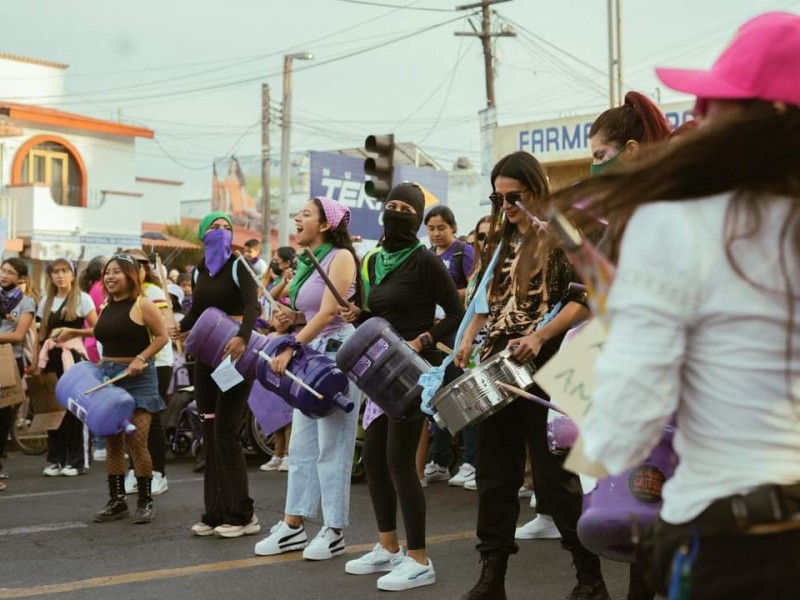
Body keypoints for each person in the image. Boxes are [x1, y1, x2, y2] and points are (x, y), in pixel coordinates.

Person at [555, 12, 800, 598]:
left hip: (734, 541)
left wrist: (589, 417)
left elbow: (623, 425)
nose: (696, 114)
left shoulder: (675, 223)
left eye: (712, 101)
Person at [454, 152, 608, 600]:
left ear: (536, 189)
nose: (506, 205)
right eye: (498, 197)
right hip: (500, 367)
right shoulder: (500, 240)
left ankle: (590, 578)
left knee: (554, 478)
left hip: (547, 366)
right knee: (495, 476)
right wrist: (471, 338)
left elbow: (586, 295)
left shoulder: (560, 230)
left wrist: (540, 336)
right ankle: (492, 578)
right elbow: (490, 301)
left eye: (514, 196)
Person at [341, 183, 464, 592]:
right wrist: (358, 314)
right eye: (389, 205)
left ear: (415, 217)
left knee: (399, 463)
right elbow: (377, 317)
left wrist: (423, 341)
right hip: (380, 374)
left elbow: (457, 313)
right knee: (374, 462)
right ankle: (388, 547)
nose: (395, 212)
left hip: (412, 374)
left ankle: (419, 559)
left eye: (404, 208)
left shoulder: (424, 260)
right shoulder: (376, 261)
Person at [254, 196, 363, 561]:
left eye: (305, 214)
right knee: (302, 447)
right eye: (297, 212)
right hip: (311, 354)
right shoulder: (305, 263)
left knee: (333, 447)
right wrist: (291, 321)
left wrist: (290, 346)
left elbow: (332, 311)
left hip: (336, 356)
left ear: (326, 224)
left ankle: (333, 530)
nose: (296, 218)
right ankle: (293, 525)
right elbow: (311, 313)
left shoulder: (341, 256)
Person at [172, 211, 261, 538]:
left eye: (227, 228)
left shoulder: (240, 266)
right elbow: (196, 310)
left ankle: (243, 513)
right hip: (207, 357)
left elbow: (253, 306)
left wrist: (243, 337)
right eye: (215, 227)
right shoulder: (198, 273)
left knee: (226, 431)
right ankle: (214, 511)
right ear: (202, 233)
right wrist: (180, 326)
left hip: (235, 355)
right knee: (209, 430)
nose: (222, 232)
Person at [92, 254, 168, 523]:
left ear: (130, 275)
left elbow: (162, 337)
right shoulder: (105, 305)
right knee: (112, 442)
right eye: (107, 273)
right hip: (109, 379)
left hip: (139, 379)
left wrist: (140, 358)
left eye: (117, 272)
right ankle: (116, 501)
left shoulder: (143, 304)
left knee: (137, 442)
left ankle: (145, 501)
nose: (110, 277)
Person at [422, 205, 478, 488]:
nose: (436, 233)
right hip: (436, 332)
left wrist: (444, 296)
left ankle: (470, 462)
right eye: (431, 228)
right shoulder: (428, 255)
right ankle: (439, 460)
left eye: (441, 228)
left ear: (453, 228)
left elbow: (474, 288)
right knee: (439, 395)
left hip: (458, 331)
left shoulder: (462, 252)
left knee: (461, 393)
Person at [37, 259, 97, 477]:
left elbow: (97, 329)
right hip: (51, 356)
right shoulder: (46, 300)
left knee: (73, 409)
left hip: (72, 357)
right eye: (55, 271)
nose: (60, 275)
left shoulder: (83, 299)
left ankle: (76, 459)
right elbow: (41, 333)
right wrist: (37, 363)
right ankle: (56, 458)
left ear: (72, 275)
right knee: (53, 409)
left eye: (64, 271)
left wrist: (73, 333)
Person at [121, 248, 174, 497]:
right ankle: (136, 469)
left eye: (138, 265)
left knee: (151, 419)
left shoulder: (153, 292)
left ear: (144, 268)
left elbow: (164, 326)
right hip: (129, 363)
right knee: (132, 420)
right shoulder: (122, 294)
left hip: (158, 362)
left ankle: (158, 473)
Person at [0, 258, 36, 486]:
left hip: (9, 360)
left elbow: (18, 336)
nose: (4, 275)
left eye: (11, 272)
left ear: (21, 278)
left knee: (2, 417)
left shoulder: (26, 302)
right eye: (3, 270)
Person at [257, 309, 295, 473]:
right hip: (271, 386)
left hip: (286, 384)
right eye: (276, 317)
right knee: (276, 423)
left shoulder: (294, 339)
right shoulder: (267, 339)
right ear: (270, 320)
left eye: (285, 317)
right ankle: (277, 455)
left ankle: (288, 455)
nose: (280, 321)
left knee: (289, 422)